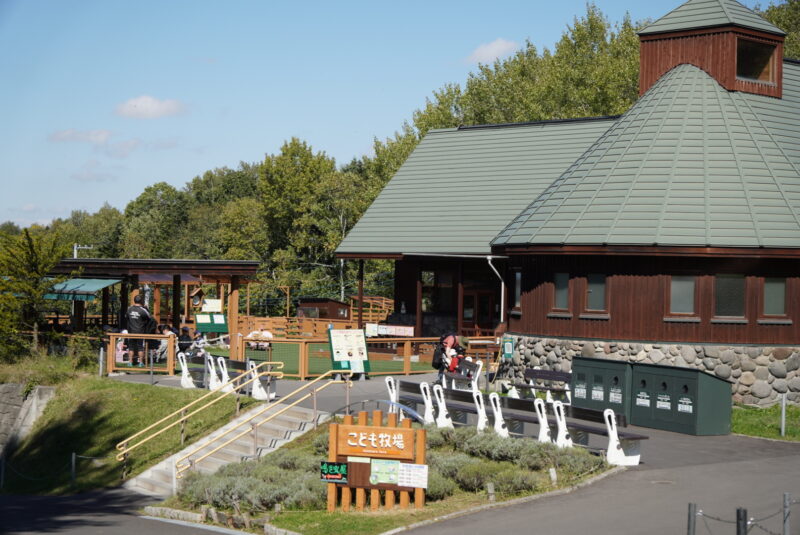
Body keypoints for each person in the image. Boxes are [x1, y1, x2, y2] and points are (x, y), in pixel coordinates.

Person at [125, 294, 152, 366]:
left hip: (131, 331)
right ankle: (140, 362)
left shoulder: (129, 309)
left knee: (131, 347)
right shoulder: (143, 310)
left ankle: (130, 362)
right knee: (140, 347)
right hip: (140, 332)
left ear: (134, 300)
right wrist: (146, 309)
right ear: (141, 301)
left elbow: (126, 317)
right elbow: (149, 318)